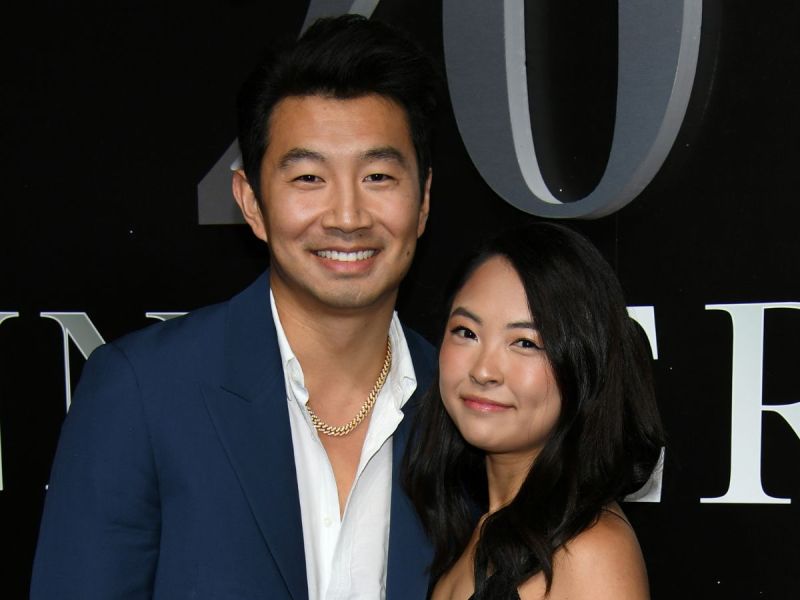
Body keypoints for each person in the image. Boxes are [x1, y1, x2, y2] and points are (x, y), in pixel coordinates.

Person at [31, 15, 439, 600]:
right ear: (250, 201)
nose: (347, 216)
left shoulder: (463, 410)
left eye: (378, 175)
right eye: (308, 178)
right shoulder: (144, 394)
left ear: (423, 201)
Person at [404, 223, 664, 600]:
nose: (483, 370)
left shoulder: (591, 551)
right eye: (466, 332)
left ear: (582, 366)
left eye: (525, 342)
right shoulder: (470, 529)